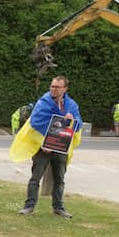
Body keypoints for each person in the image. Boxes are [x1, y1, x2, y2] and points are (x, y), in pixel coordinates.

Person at [17, 76, 81, 219]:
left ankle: (58, 207)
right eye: (52, 86)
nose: (53, 89)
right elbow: (35, 123)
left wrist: (72, 120)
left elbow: (78, 125)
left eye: (57, 87)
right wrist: (43, 144)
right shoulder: (43, 103)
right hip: (43, 148)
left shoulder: (71, 105)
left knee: (59, 179)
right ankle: (29, 206)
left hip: (60, 147)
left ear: (65, 89)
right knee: (35, 178)